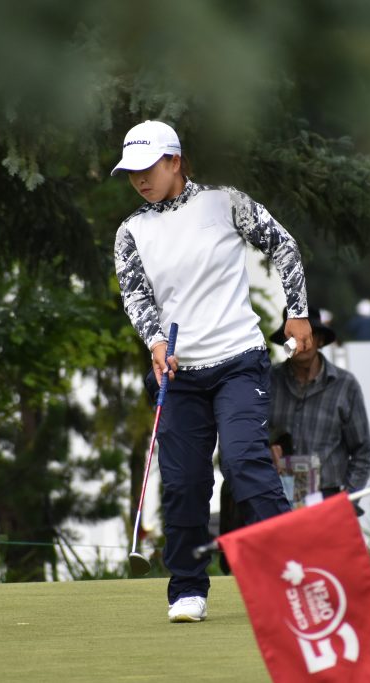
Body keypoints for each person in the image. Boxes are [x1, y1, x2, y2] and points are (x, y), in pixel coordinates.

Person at [111, 120, 313, 623]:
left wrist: (298, 311)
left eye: (147, 168)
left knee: (246, 463)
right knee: (183, 482)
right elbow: (137, 300)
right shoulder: (130, 232)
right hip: (180, 375)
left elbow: (283, 245)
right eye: (130, 172)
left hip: (238, 361)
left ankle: (290, 575)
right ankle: (186, 589)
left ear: (174, 161)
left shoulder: (224, 203)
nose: (138, 180)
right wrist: (156, 342)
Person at [268, 305, 370, 505]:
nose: (300, 341)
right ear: (285, 342)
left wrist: (348, 500)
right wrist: (266, 448)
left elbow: (363, 451)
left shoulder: (345, 385)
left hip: (327, 497)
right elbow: (247, 436)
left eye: (308, 334)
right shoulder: (268, 382)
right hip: (275, 495)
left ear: (320, 340)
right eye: (292, 336)